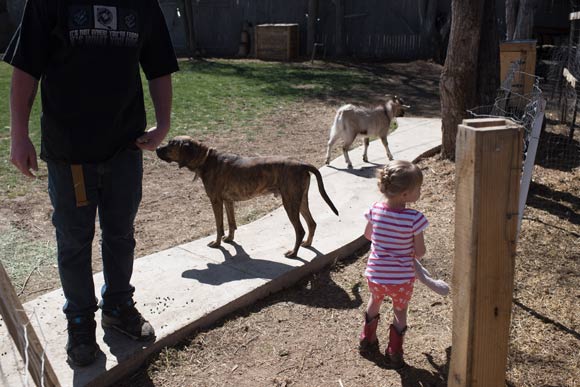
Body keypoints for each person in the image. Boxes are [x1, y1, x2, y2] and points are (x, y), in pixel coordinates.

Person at [4, 0, 179, 367]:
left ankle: (118, 306)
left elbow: (159, 65)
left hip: (125, 147)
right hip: (71, 155)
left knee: (120, 233)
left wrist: (163, 124)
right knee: (74, 240)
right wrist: (18, 135)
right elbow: (25, 68)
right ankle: (80, 320)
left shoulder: (143, 4)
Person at [359, 160, 428, 369]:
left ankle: (367, 339)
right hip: (401, 279)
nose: (420, 191)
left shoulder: (375, 210)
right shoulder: (415, 219)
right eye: (418, 188)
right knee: (400, 311)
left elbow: (368, 235)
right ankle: (394, 352)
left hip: (376, 275)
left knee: (374, 301)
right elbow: (420, 252)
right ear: (405, 194)